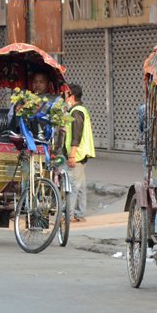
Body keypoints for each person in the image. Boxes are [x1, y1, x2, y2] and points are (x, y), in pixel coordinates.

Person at [64, 83, 95, 223]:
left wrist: (71, 154)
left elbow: (76, 135)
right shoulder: (81, 110)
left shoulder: (76, 112)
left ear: (71, 96)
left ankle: (68, 215)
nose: (63, 96)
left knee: (72, 186)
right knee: (80, 185)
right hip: (81, 153)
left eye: (65, 94)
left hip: (76, 154)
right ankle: (80, 213)